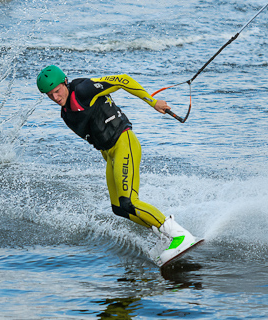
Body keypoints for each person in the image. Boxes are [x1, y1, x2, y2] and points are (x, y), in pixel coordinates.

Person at [36, 65, 199, 266]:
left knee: (129, 201)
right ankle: (164, 238)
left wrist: (152, 102)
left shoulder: (84, 90)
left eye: (57, 91)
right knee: (119, 208)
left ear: (65, 82)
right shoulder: (66, 113)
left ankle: (179, 235)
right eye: (49, 94)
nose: (55, 97)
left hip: (124, 143)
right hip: (110, 155)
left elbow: (122, 79)